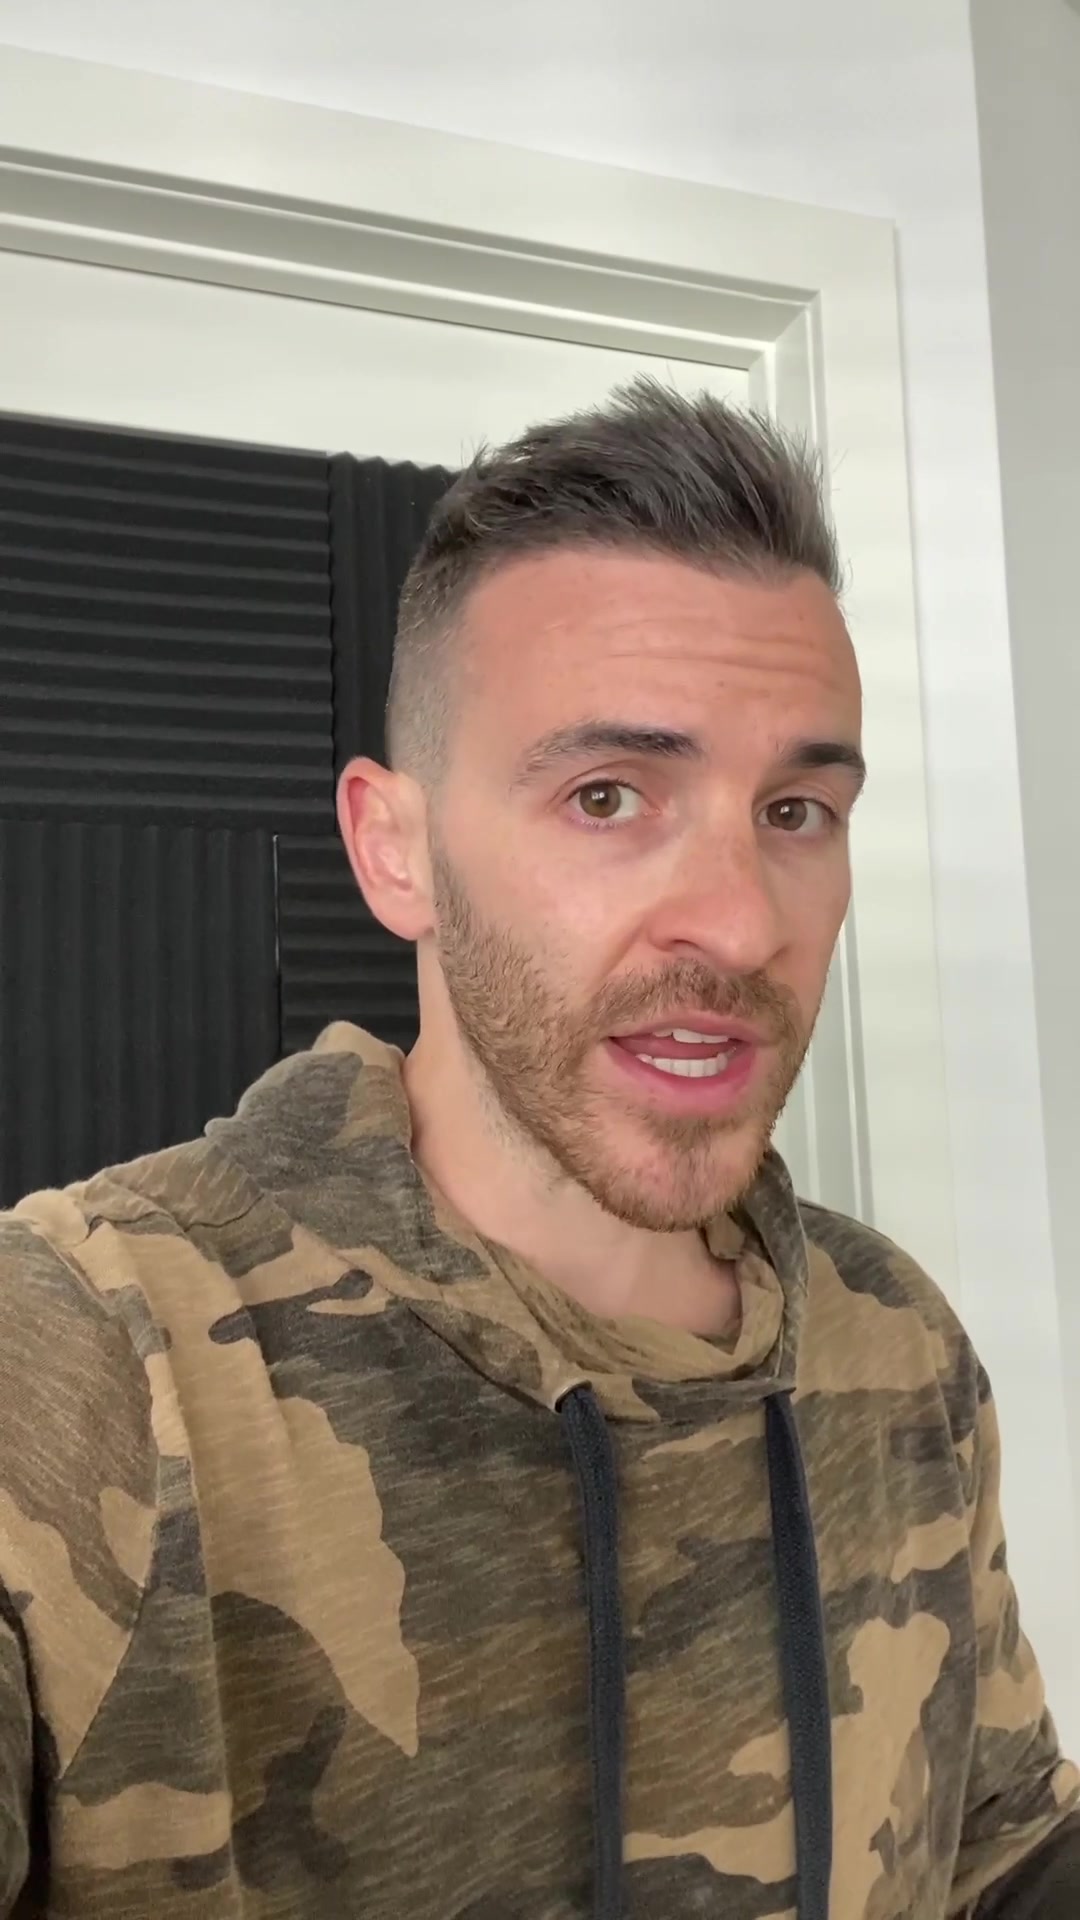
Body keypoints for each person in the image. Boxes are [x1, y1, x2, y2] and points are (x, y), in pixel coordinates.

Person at [0, 382, 1075, 1920]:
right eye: (608, 796)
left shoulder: (895, 1339)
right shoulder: (82, 1356)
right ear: (394, 850)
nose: (742, 924)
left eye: (795, 810)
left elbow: (1004, 1848)